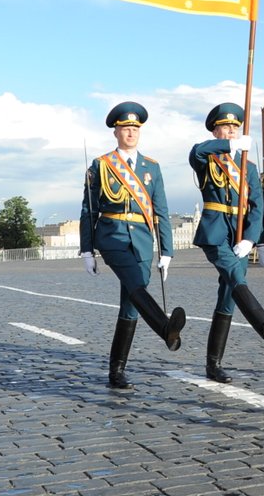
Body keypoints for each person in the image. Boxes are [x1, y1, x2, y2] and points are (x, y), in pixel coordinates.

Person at [80, 101, 186, 389]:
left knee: (130, 304)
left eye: (135, 129)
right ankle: (165, 327)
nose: (130, 133)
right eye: (125, 128)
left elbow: (160, 210)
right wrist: (87, 250)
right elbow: (89, 210)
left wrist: (167, 252)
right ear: (116, 132)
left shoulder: (152, 167)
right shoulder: (101, 165)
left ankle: (117, 371)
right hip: (112, 235)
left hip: (142, 239)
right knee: (135, 283)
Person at [190, 102, 264, 384]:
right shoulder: (207, 159)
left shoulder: (249, 167)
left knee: (228, 295)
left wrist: (251, 238)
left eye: (235, 128)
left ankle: (213, 364)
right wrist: (230, 147)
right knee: (233, 275)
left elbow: (257, 205)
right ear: (215, 131)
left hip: (240, 234)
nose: (230, 131)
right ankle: (261, 323)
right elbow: (197, 151)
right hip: (216, 231)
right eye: (225, 127)